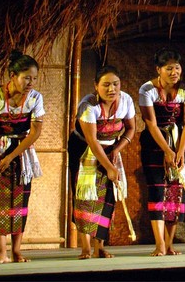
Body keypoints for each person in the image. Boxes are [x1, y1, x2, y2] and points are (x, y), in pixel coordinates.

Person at [0, 50, 45, 264]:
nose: (30, 82)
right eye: (26, 78)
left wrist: (13, 156)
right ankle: (1, 252)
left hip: (21, 152)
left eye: (34, 78)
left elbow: (35, 132)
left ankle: (16, 251)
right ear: (12, 76)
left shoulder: (35, 98)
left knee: (20, 201)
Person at [68, 65, 135, 258]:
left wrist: (116, 150)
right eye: (106, 85)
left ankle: (100, 247)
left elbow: (131, 128)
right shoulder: (88, 105)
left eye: (115, 84)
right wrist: (109, 167)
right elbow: (92, 140)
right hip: (84, 150)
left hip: (110, 148)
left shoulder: (126, 100)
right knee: (86, 196)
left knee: (107, 198)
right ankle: (85, 248)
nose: (111, 89)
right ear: (96, 86)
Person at [139, 48, 185, 256]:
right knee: (157, 191)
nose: (174, 72)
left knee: (175, 193)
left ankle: (170, 243)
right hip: (154, 144)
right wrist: (166, 150)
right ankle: (159, 244)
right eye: (169, 68)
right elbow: (151, 124)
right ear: (158, 70)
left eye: (177, 68)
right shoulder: (147, 90)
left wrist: (179, 151)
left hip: (179, 142)